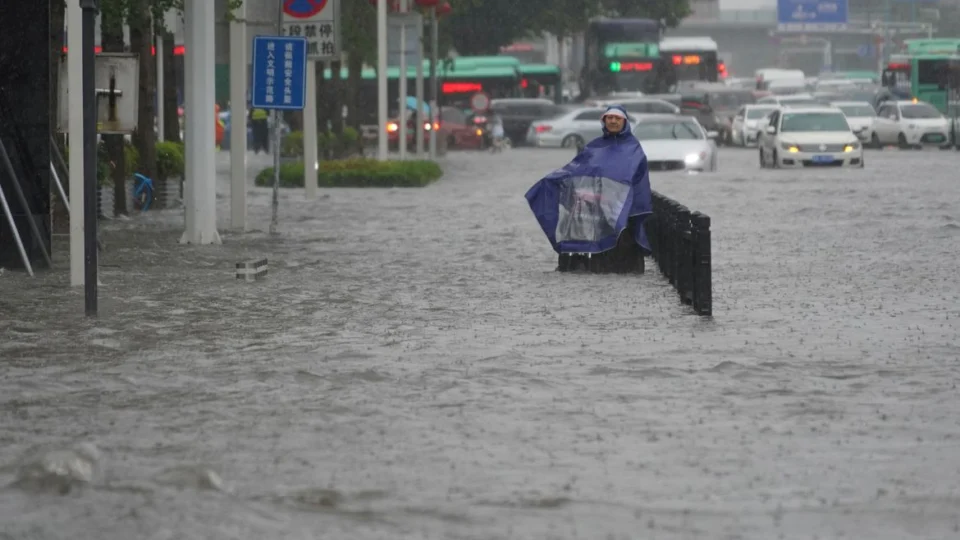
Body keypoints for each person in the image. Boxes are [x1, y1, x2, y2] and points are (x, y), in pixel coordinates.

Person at [525, 104, 652, 273]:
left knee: (621, 250)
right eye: (609, 118)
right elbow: (576, 169)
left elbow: (639, 179)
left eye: (617, 118)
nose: (613, 121)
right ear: (604, 120)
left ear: (625, 122)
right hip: (594, 212)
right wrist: (554, 180)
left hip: (623, 212)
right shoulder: (594, 147)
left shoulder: (633, 148)